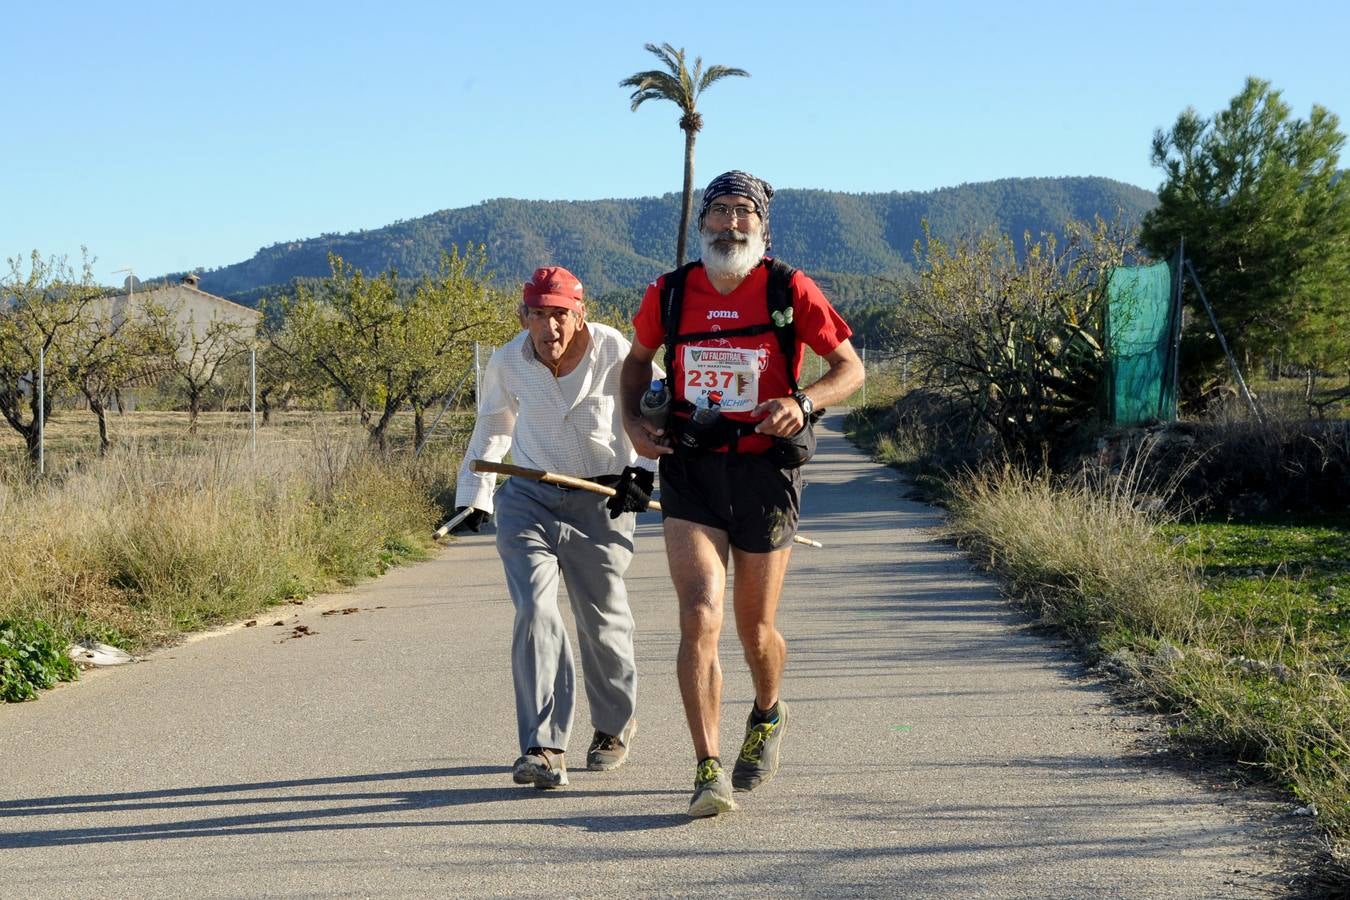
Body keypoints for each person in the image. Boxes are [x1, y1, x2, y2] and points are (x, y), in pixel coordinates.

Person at [620, 170, 864, 817]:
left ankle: (767, 711)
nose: (730, 224)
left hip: (765, 474)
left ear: (762, 225)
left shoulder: (788, 289)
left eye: (742, 213)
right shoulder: (671, 294)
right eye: (719, 212)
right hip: (691, 468)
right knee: (700, 613)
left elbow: (851, 369)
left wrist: (803, 402)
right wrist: (633, 425)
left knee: (756, 632)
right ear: (702, 223)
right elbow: (635, 362)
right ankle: (707, 769)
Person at [452, 265, 654, 789]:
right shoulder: (508, 361)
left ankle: (612, 725)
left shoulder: (616, 351)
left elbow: (656, 415)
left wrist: (645, 474)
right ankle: (544, 748)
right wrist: (476, 497)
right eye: (539, 315)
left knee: (603, 620)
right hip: (529, 500)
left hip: (602, 497)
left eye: (560, 314)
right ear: (524, 316)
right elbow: (494, 426)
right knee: (536, 610)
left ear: (579, 313)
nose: (550, 328)